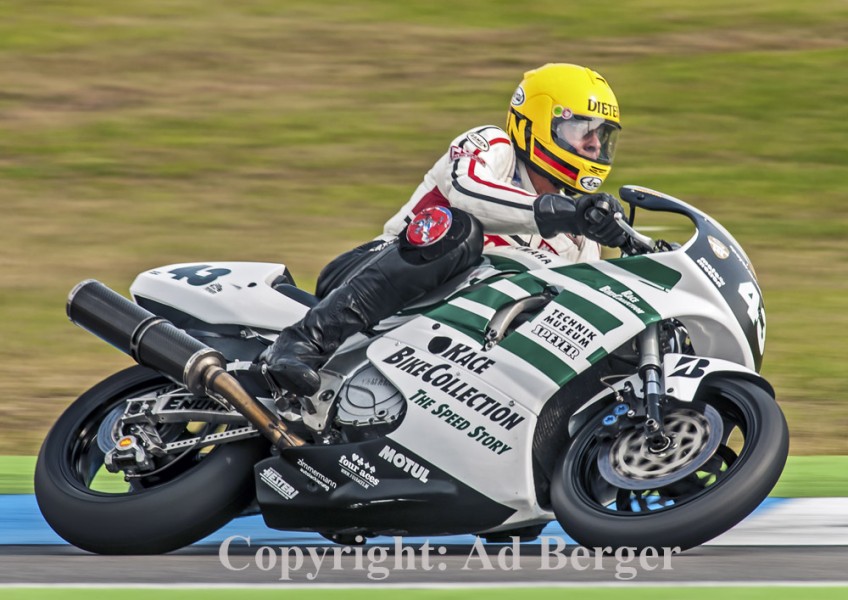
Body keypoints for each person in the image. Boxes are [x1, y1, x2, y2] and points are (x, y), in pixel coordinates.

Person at [261, 63, 627, 396]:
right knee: (459, 231)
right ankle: (302, 340)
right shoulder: (493, 146)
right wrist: (566, 212)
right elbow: (467, 194)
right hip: (367, 273)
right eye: (582, 130)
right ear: (536, 124)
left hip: (448, 333)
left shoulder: (579, 239)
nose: (594, 145)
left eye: (601, 136)